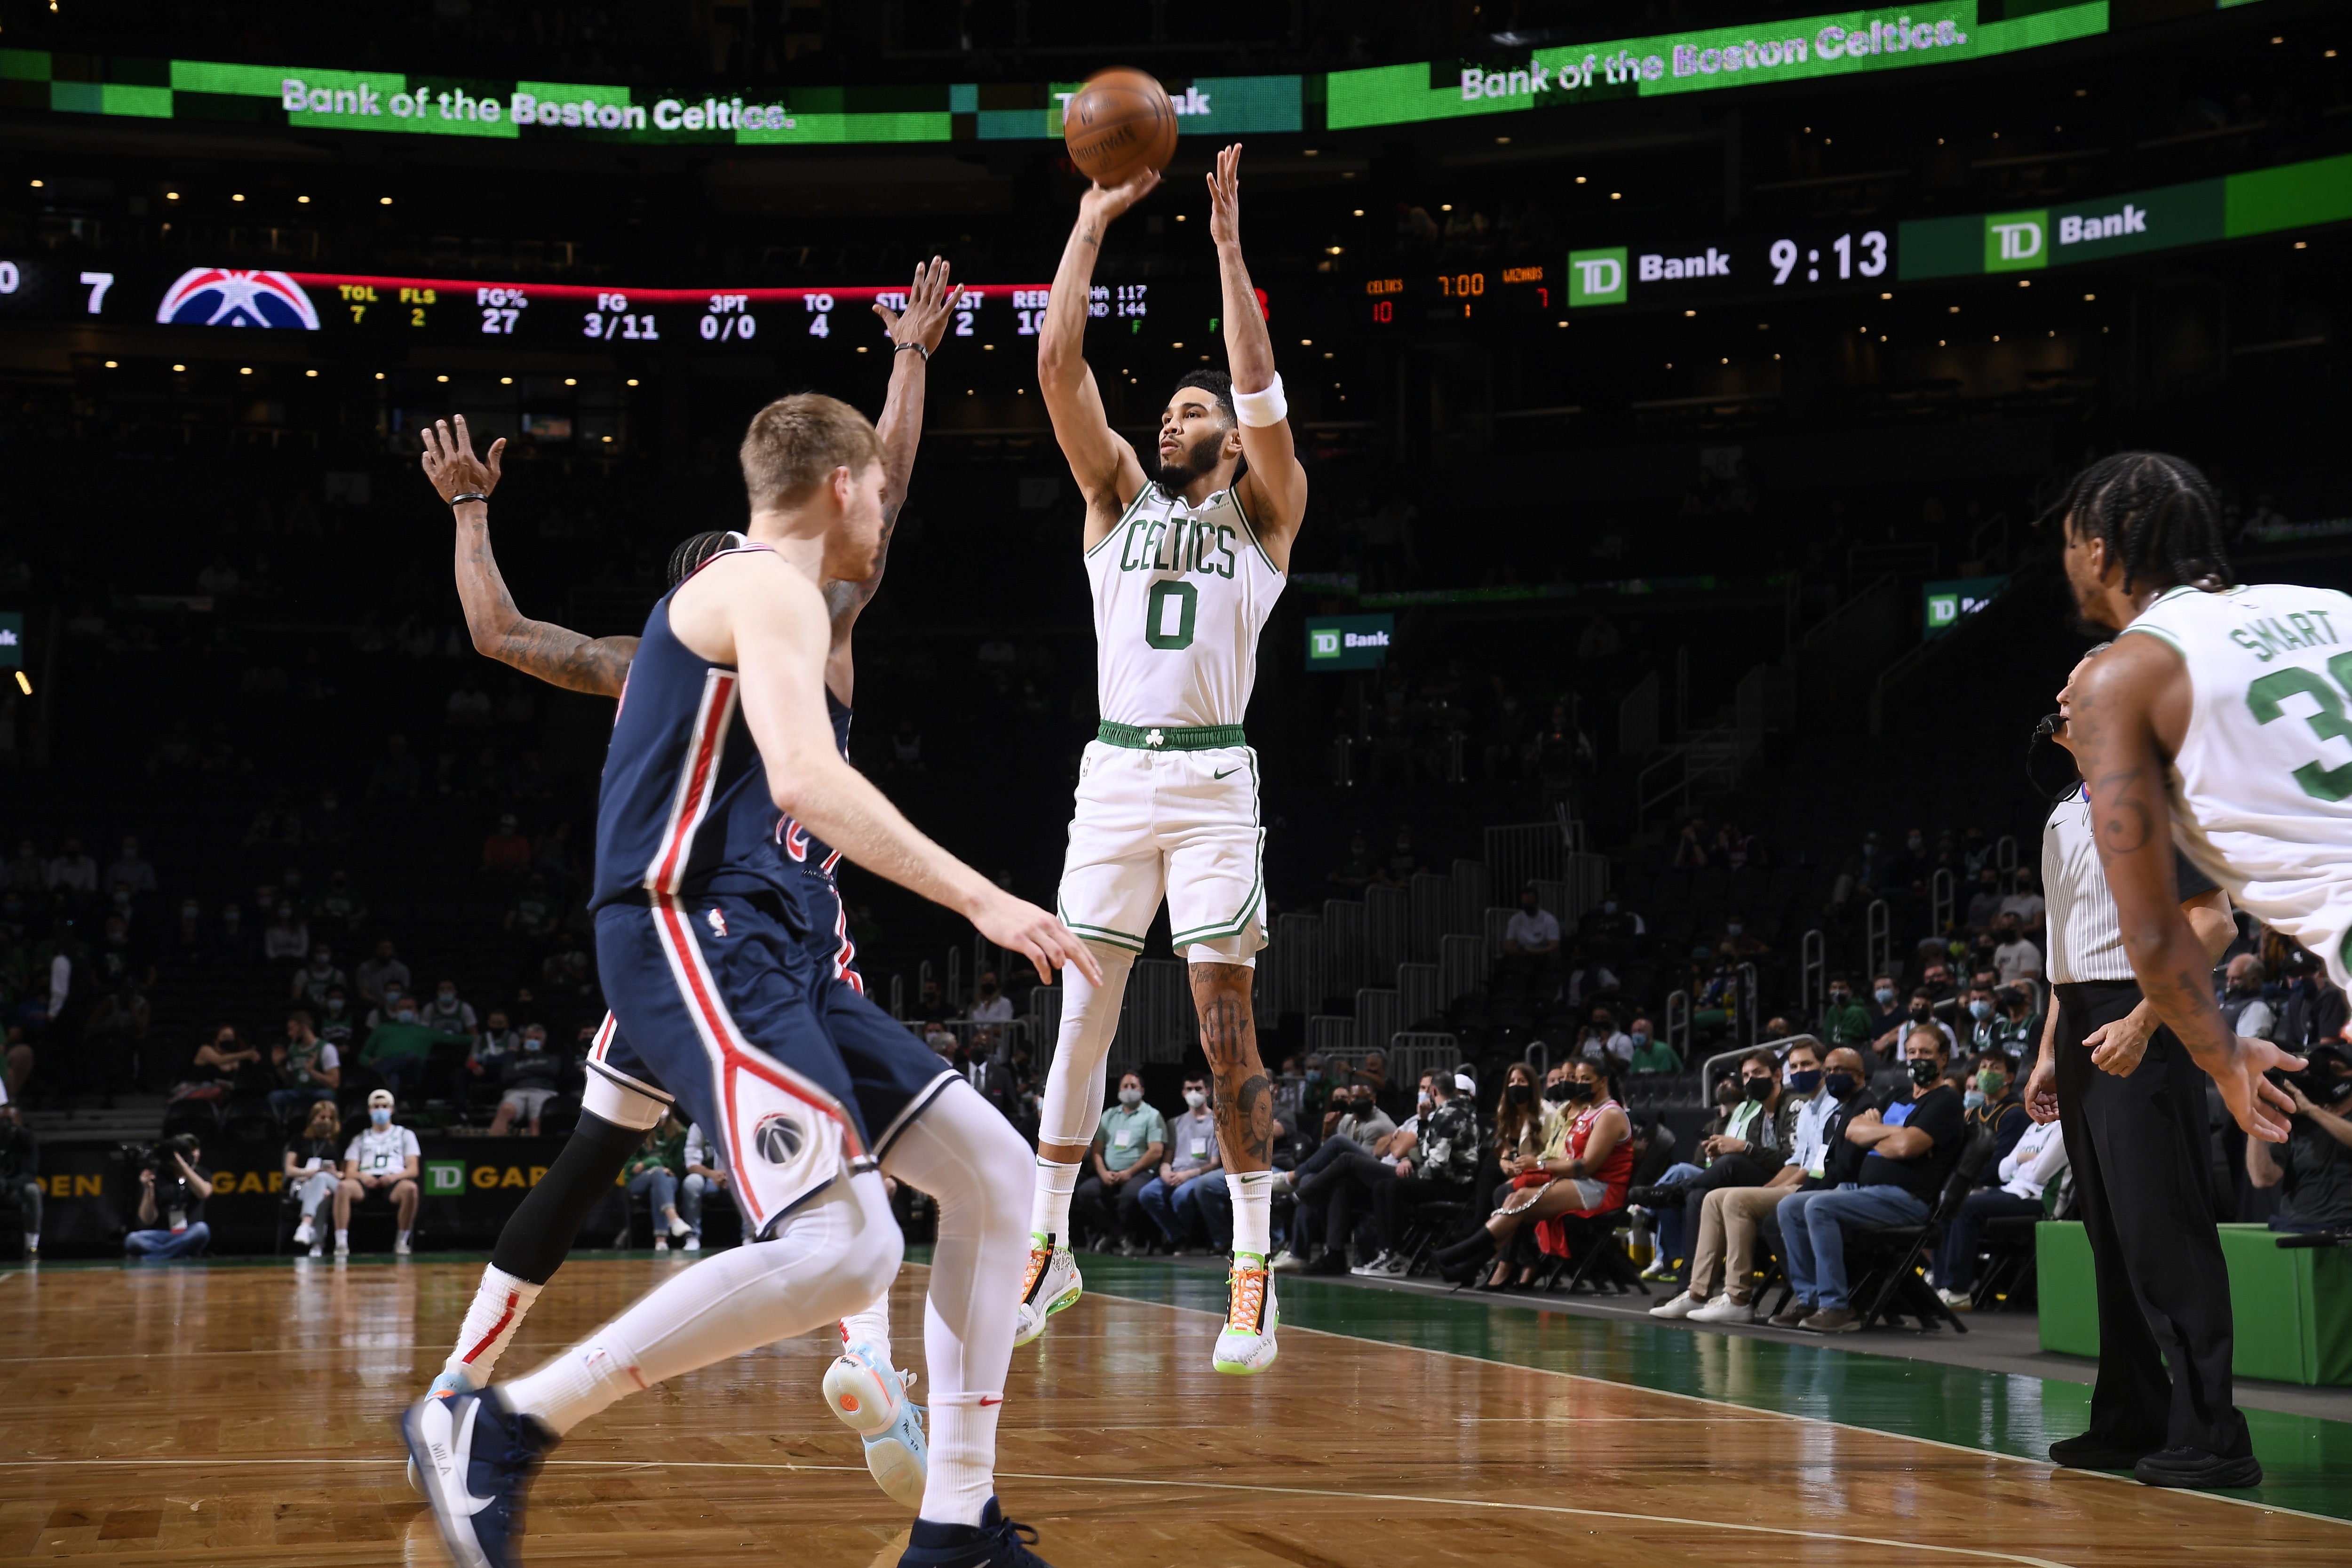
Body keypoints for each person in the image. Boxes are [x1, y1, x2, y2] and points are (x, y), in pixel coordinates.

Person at [401, 385, 1096, 1568]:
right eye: (877, 487)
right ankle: (504, 1428)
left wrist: (911, 363)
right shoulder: (759, 588)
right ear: (840, 486)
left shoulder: (796, 604)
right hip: (689, 928)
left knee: (994, 1173)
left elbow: (873, 508)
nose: (891, 507)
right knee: (846, 1243)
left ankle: (955, 1524)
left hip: (782, 943)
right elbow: (804, 785)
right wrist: (984, 896)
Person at [1020, 143, 1310, 1377]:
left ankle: (1252, 1261)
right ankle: (1049, 1243)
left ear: (1230, 445)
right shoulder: (1115, 502)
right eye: (1169, 412)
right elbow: (1057, 366)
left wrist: (1229, 250)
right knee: (1079, 1017)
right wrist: (1089, 222)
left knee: (1220, 1024)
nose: (1171, 421)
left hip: (1209, 783)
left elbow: (1259, 392)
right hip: (1113, 777)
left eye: (1192, 414)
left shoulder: (1265, 512)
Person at [2021, 629, 2267, 1490]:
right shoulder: (2065, 805)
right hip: (2084, 1013)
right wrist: (2053, 1046)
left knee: (2166, 1233)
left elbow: (2213, 925)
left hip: (2145, 1016)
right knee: (2112, 1237)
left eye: (2077, 686)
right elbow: (2066, 946)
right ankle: (2132, 1416)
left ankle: (2216, 1434)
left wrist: (2140, 1022)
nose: (2059, 698)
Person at [2052, 452, 2328, 1144]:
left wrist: (2224, 1058)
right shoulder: (2325, 607)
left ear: (2097, 552)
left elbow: (2154, 935)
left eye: (2065, 544)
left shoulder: (2124, 673)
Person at [1772, 1023, 1963, 1333]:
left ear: (1943, 1058)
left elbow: (1905, 1146)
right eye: (1912, 1052)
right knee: (1789, 1207)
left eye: (1926, 1053)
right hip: (1866, 1191)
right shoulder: (1895, 1094)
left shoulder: (1945, 1101)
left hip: (1906, 1198)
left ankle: (1837, 1307)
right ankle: (1810, 1299)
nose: (1917, 1059)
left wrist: (1879, 1136)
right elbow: (1853, 1130)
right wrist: (1895, 1135)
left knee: (1818, 1207)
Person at [1653, 1043, 1857, 1323]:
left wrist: (1767, 1192)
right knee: (1715, 1198)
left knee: (1735, 1199)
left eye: (1807, 1065)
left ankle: (1738, 1298)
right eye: (1795, 1067)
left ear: (1822, 1068)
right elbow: (1795, 1163)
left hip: (1820, 1187)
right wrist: (1767, 1191)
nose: (1800, 1072)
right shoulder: (1810, 1108)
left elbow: (1813, 1169)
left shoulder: (1825, 1105)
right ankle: (1697, 1293)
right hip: (1800, 1180)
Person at [1432, 1057, 1633, 1283]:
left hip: (1601, 1189)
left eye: (1586, 1079)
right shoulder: (1588, 1112)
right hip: (1578, 1182)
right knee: (1514, 1199)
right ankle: (1469, 1265)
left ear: (1603, 1082)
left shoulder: (1611, 1114)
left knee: (1520, 1200)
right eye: (1578, 1079)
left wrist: (1539, 1165)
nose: (1579, 1084)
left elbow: (1586, 1166)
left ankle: (1457, 1255)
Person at [1934, 1109, 2069, 1311]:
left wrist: (2020, 1163)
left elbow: (2038, 1175)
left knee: (1967, 1208)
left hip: (2040, 1201)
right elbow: (2003, 1170)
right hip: (2011, 1191)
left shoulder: (2064, 1129)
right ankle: (1942, 1284)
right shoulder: (2034, 1128)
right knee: (1947, 1205)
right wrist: (2022, 1160)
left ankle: (1957, 1290)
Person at [1357, 1070, 1481, 1277]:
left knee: (1394, 1187)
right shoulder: (1462, 1110)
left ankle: (1397, 1257)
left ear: (1434, 1091)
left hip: (1455, 1185)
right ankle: (1388, 1252)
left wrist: (1415, 1177)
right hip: (1452, 1181)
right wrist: (1423, 1122)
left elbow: (1437, 1163)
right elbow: (1427, 1150)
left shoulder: (1447, 1115)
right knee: (1383, 1186)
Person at [2244, 1044, 2352, 1234]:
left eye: (2338, 1069)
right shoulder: (2296, 1122)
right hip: (2294, 1231)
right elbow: (2263, 1178)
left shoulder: (2310, 1111)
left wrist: (2312, 1110)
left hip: (2344, 1232)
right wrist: (2257, 1115)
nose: (2329, 1075)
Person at [1070, 1073, 1164, 1254]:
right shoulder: (1109, 1116)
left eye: (1133, 1086)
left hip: (1139, 1173)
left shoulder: (1152, 1116)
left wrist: (1129, 1172)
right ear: (1119, 1090)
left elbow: (1156, 1151)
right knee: (1086, 1192)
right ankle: (1120, 1235)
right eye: (1125, 1086)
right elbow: (1097, 1151)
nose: (1129, 1090)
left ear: (1142, 1091)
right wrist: (1104, 1173)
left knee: (1130, 1197)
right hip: (1110, 1173)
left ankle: (1113, 1237)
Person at [1136, 1076, 1228, 1252]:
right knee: (1148, 1194)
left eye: (1198, 1089)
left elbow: (1215, 1164)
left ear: (1208, 1091)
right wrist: (1165, 1170)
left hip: (1200, 1175)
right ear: (1183, 1093)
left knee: (1181, 1197)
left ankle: (1183, 1241)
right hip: (1175, 1173)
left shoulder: (1217, 1122)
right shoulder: (1175, 1123)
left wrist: (1188, 1175)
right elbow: (1168, 1157)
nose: (1194, 1093)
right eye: (1190, 1089)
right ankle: (1178, 1236)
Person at [336, 1088, 421, 1256]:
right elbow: (350, 1170)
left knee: (411, 1189)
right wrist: (363, 1176)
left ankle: (402, 1242)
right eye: (376, 1106)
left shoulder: (405, 1135)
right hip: (365, 1180)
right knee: (344, 1187)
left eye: (384, 1106)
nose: (380, 1110)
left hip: (394, 1180)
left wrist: (394, 1177)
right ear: (369, 1110)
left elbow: (413, 1169)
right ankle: (341, 1243)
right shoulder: (360, 1138)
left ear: (392, 1109)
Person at [125, 1137, 212, 1260]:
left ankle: (155, 1256)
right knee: (133, 1239)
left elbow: (204, 1193)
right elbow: (147, 1219)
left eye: (195, 1150)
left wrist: (183, 1165)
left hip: (188, 1233)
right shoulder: (158, 1176)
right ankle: (177, 1254)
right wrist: (148, 1189)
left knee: (202, 1230)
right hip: (163, 1234)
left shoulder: (202, 1173)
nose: (193, 1154)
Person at [622, 1118, 694, 1252]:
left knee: (659, 1184)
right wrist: (655, 1163)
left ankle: (661, 1243)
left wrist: (647, 1163)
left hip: (669, 1178)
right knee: (658, 1173)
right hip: (638, 1181)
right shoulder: (637, 1129)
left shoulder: (680, 1133)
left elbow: (678, 1165)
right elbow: (632, 1167)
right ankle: (674, 1219)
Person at [283, 1098, 344, 1257]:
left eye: (331, 1118)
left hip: (332, 1181)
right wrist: (306, 1172)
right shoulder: (299, 1140)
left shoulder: (339, 1142)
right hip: (304, 1182)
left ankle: (306, 1224)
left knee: (322, 1179)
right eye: (323, 1117)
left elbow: (345, 1173)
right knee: (322, 1193)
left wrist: (334, 1174)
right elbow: (290, 1170)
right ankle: (317, 1245)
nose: (327, 1122)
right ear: (313, 1118)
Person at [269, 1010, 340, 1124]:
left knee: (325, 1095)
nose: (289, 1034)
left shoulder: (326, 1049)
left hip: (319, 1090)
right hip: (299, 1091)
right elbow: (290, 1080)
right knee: (275, 1097)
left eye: (291, 1029)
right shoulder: (293, 1049)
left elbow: (334, 1083)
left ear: (302, 1028)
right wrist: (279, 1065)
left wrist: (312, 1071)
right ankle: (281, 1129)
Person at [487, 1027, 561, 1137]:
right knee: (505, 1111)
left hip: (543, 1091)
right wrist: (537, 1071)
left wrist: (522, 1071)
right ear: (524, 1040)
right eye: (530, 1038)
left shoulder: (551, 1058)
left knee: (537, 1120)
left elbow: (552, 1071)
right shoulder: (514, 1059)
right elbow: (506, 1076)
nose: (533, 1041)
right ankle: (492, 1150)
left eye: (537, 1038)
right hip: (517, 1091)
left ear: (543, 1042)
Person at [0, 1106, 40, 1260]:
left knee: (33, 1190)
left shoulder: (27, 1138)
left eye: (9, 1120)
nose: (5, 1125)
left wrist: (8, 1183)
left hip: (14, 1189)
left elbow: (30, 1173)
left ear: (18, 1121)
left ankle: (31, 1247)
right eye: (2, 1121)